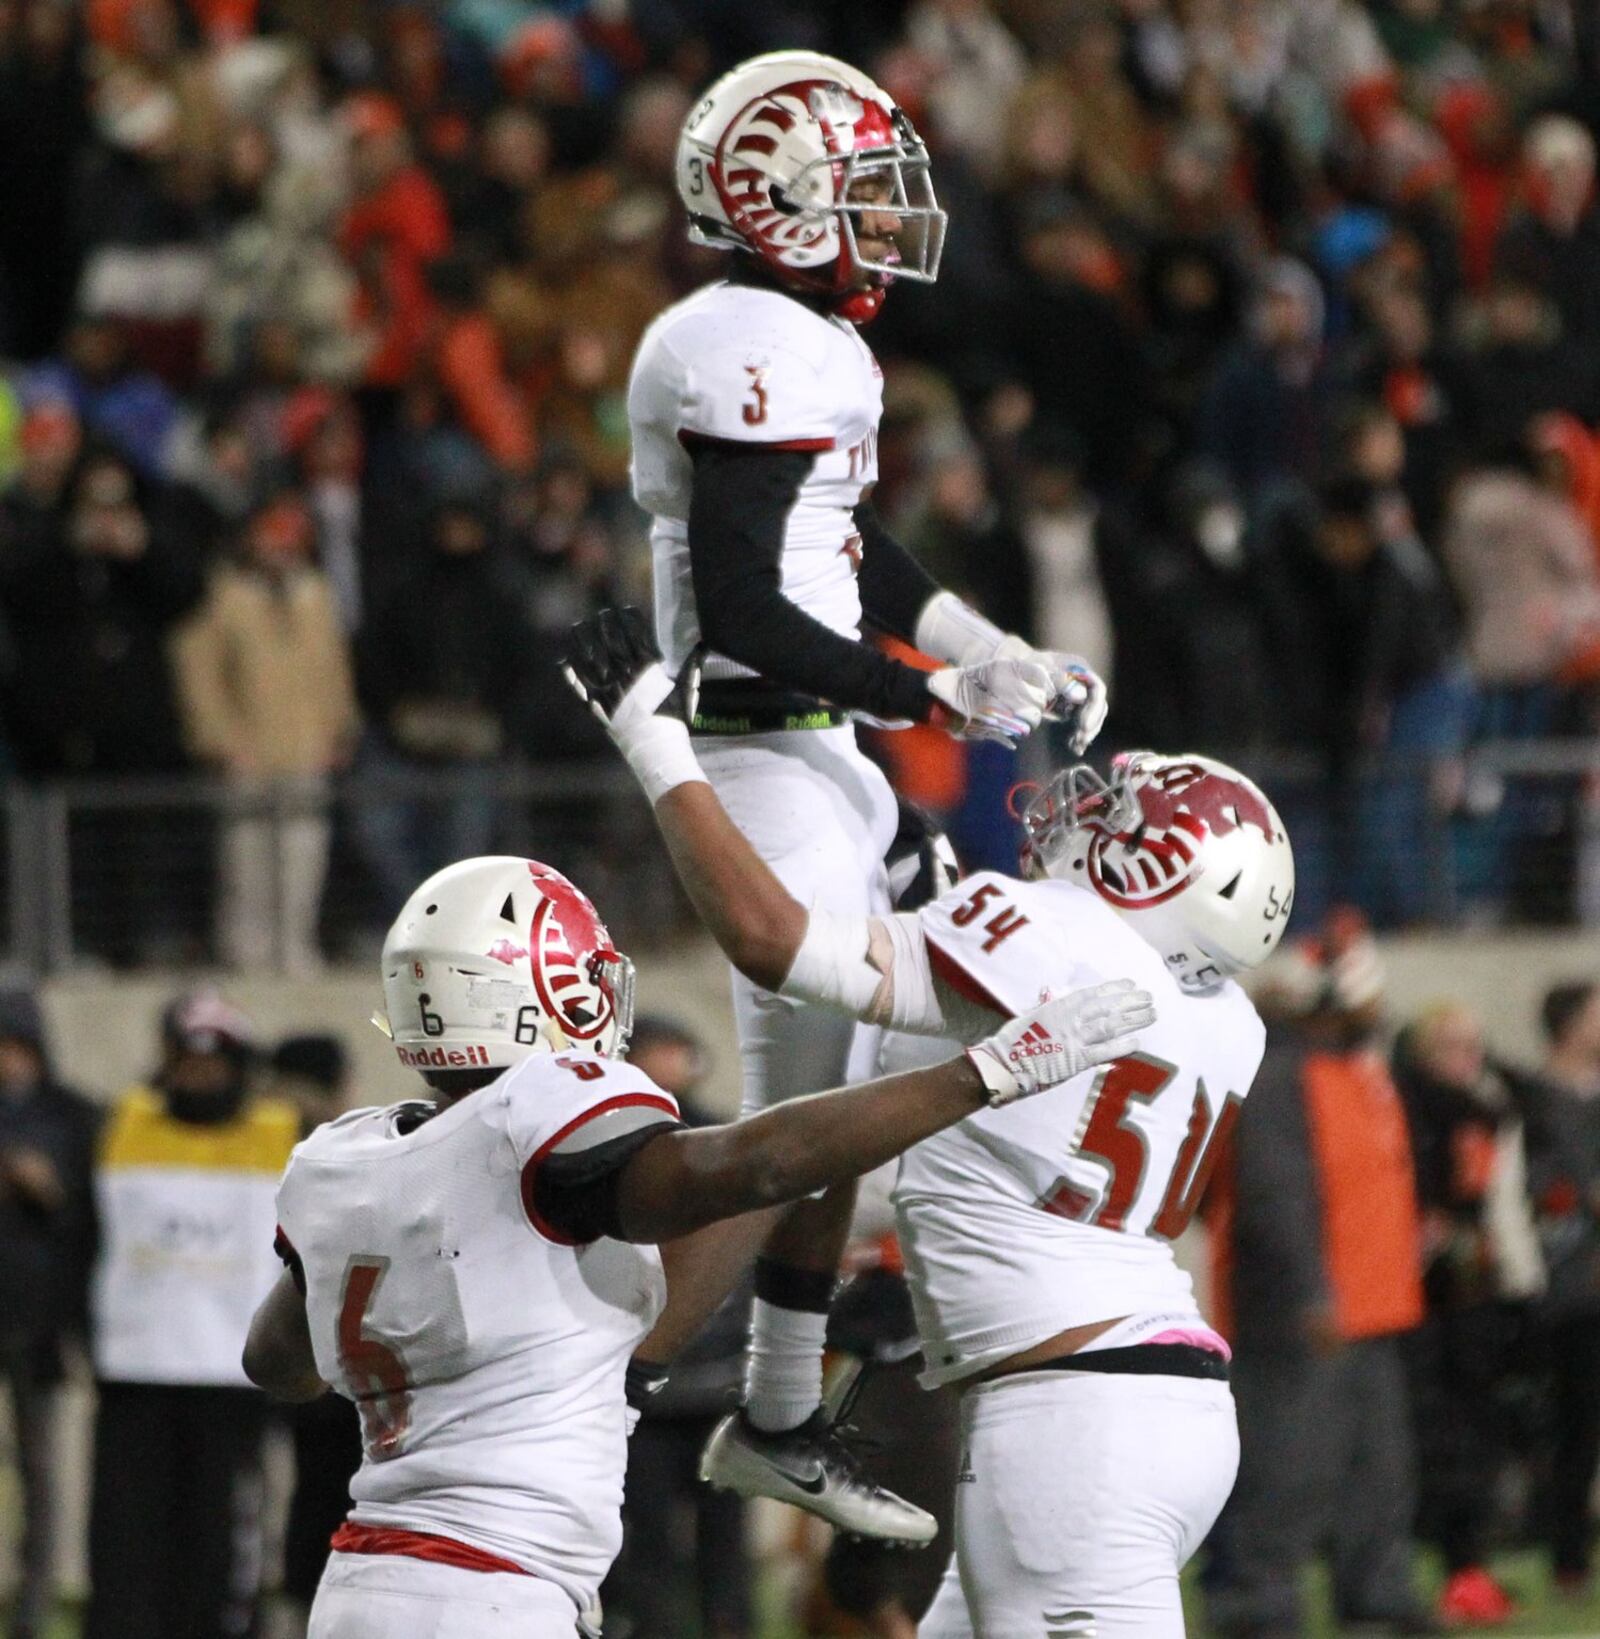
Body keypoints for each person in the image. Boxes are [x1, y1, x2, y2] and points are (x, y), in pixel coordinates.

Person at [565, 607, 1295, 1637]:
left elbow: (772, 942)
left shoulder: (1053, 933)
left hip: (1074, 1417)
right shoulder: (1230, 1019)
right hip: (1136, 1394)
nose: (1081, 816)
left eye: (1118, 822)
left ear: (1159, 875)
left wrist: (653, 737)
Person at [242, 853, 1154, 1639]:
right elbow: (741, 1171)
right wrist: (985, 1070)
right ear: (539, 984)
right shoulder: (539, 1111)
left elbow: (277, 1362)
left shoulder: (345, 1158)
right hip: (489, 1589)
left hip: (364, 1583)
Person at [628, 47, 1108, 1538]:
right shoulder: (740, 344)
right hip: (769, 751)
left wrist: (975, 642)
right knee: (784, 1142)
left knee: (827, 1114)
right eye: (866, 193)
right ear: (783, 205)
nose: (897, 219)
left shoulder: (802, 344)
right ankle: (611, 1375)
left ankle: (784, 1396)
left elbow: (842, 547)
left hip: (824, 752)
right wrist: (930, 694)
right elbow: (745, 604)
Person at [1205, 913, 1432, 1638]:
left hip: (1376, 1307)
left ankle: (1377, 1597)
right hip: (1304, 1317)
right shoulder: (1280, 1077)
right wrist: (1310, 1291)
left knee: (1379, 1475)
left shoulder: (1361, 1072)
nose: (1378, 1010)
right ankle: (1255, 1610)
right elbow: (1276, 1196)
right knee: (1283, 1476)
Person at [86, 989, 299, 1639]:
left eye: (216, 1062)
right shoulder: (119, 1123)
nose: (201, 1074)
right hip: (135, 1371)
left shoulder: (284, 1133)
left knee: (217, 1551)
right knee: (125, 1547)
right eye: (188, 1060)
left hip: (232, 1378)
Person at [602, 1017, 755, 1639]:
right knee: (653, 1542)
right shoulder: (616, 1147)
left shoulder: (722, 1140)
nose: (674, 1062)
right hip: (650, 1387)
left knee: (719, 1545)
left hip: (709, 1382)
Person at [1393, 1002, 1543, 1626]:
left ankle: (1468, 1567)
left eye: (1474, 1045)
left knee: (1478, 1434)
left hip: (1473, 1296)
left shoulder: (1485, 1110)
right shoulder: (1405, 1109)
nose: (1470, 1058)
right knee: (1427, 1439)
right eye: (1453, 1046)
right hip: (1417, 1302)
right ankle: (1427, 1570)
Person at [0, 989, 99, 1639]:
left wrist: (49, 1189)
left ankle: (35, 1602)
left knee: (41, 1470)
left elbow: (93, 1221)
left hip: (37, 1322)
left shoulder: (74, 1117)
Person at [265, 1036, 366, 1638]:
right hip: (319, 1349)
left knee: (302, 1497)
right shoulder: (336, 1146)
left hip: (267, 1348)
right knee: (322, 1497)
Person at [1525, 980, 1600, 1593]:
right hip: (1573, 1287)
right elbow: (1545, 1191)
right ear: (1572, 1024)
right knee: (1576, 1423)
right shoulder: (1536, 1099)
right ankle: (1567, 1557)